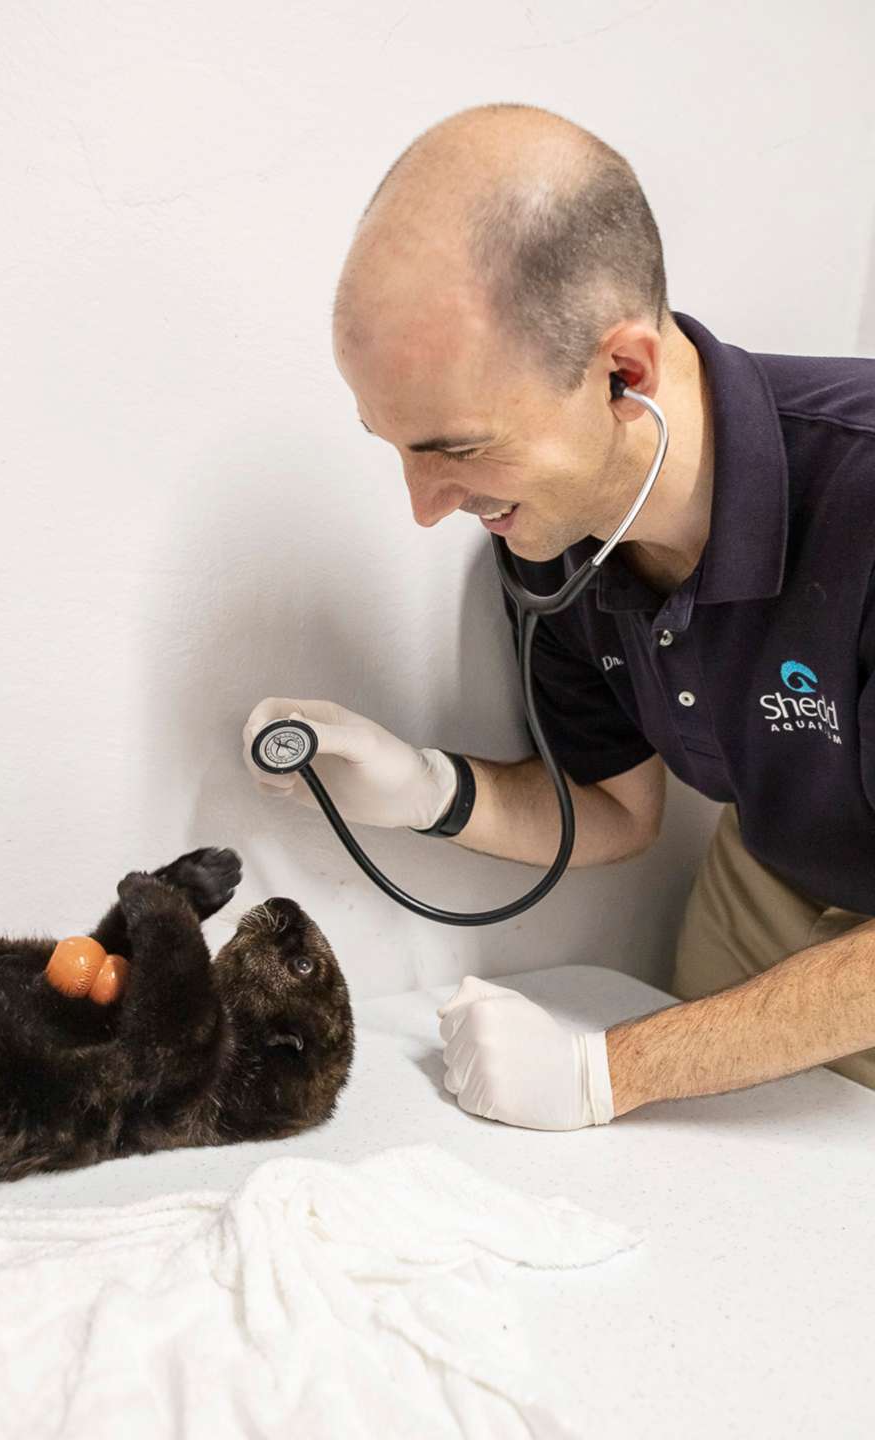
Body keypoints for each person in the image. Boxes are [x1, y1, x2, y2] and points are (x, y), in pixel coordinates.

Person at [244, 103, 875, 1131]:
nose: (424, 506)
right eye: (393, 445)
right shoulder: (554, 533)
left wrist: (611, 1071)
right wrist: (422, 790)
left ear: (624, 374)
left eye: (454, 449)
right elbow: (617, 813)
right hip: (772, 882)